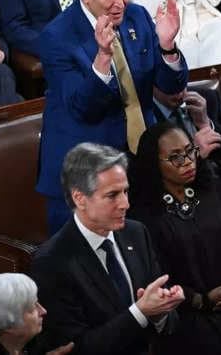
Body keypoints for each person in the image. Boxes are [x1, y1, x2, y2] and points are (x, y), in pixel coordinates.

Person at [37, 0, 189, 235]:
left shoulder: (137, 17)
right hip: (87, 170)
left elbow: (171, 87)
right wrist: (102, 58)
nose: (119, 2)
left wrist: (168, 46)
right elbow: (83, 107)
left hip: (142, 157)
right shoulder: (57, 37)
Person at [30, 143, 185, 355]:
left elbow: (168, 322)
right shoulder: (52, 262)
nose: (125, 204)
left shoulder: (137, 233)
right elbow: (75, 348)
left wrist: (160, 313)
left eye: (125, 191)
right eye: (112, 195)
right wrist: (140, 312)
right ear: (80, 198)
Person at [129, 122, 221, 354]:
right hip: (186, 320)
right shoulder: (144, 217)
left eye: (190, 151)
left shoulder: (217, 190)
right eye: (175, 157)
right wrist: (200, 299)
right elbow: (152, 276)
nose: (188, 161)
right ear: (154, 163)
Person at [152, 86, 221, 190]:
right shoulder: (141, 117)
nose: (179, 93)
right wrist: (194, 154)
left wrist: (206, 124)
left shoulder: (207, 97)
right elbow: (153, 180)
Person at [0, 273, 72, 355]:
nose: (43, 311)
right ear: (8, 325)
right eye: (32, 308)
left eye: (37, 302)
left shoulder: (38, 341)